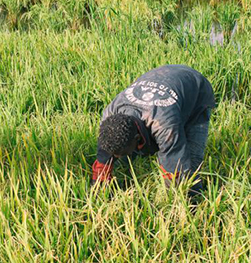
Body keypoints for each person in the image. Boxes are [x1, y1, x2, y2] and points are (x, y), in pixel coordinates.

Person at [91, 65, 215, 201]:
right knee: (124, 158)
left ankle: (195, 204)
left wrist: (173, 202)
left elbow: (175, 167)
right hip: (164, 80)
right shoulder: (110, 115)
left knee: (190, 164)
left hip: (195, 91)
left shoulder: (164, 126)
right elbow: (103, 157)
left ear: (138, 138)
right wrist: (98, 193)